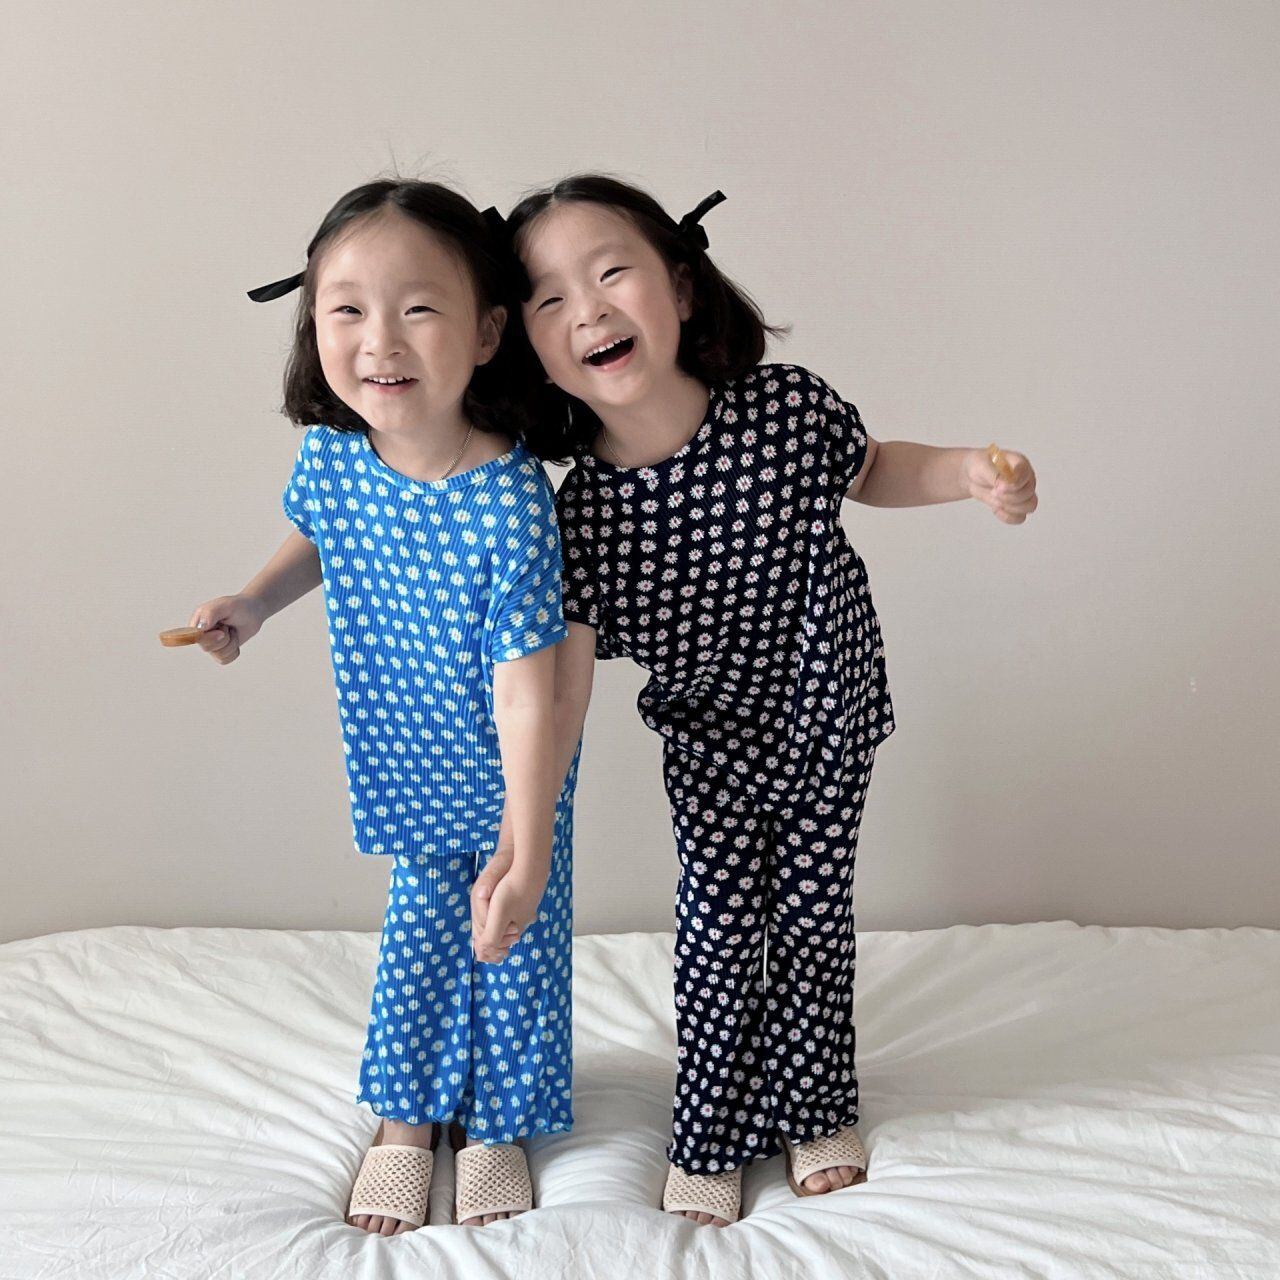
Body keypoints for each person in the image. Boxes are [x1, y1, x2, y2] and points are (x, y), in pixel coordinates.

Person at [473, 174, 1039, 1227]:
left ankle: (815, 1105)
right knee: (720, 928)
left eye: (612, 273)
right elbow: (564, 687)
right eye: (549, 299)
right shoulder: (580, 514)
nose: (587, 310)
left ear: (681, 288)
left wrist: (968, 471)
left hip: (829, 707)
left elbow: (876, 467)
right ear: (526, 347)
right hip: (711, 743)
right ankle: (713, 1128)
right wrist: (526, 830)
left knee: (815, 915)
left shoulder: (785, 408)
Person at [188, 179, 578, 1233]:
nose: (380, 341)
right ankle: (407, 1117)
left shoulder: (511, 503)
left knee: (514, 938)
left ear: (487, 331)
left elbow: (529, 690)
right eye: (347, 309)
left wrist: (530, 836)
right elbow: (317, 536)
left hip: (515, 762)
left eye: (417, 308)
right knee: (422, 931)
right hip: (403, 747)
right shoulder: (334, 454)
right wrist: (253, 604)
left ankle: (496, 1125)